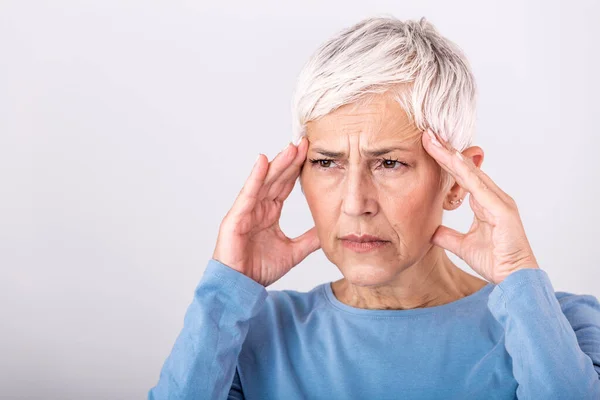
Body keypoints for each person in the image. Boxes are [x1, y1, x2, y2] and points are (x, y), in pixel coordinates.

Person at [148, 15, 600, 399]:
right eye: (327, 162)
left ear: (458, 179)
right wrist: (227, 291)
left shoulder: (563, 329)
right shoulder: (247, 333)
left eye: (389, 163)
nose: (354, 203)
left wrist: (519, 276)